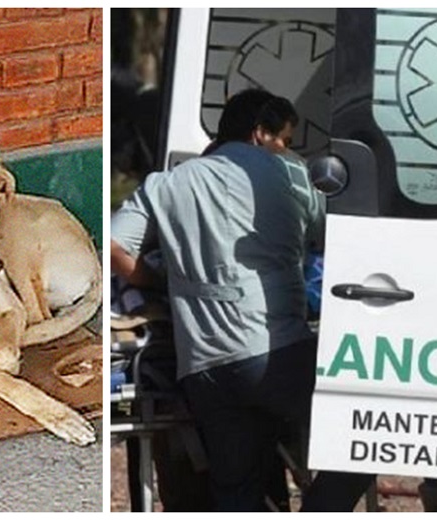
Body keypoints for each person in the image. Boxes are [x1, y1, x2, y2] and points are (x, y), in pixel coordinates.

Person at [111, 88, 372, 511]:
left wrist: (166, 280)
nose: (287, 149)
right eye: (285, 139)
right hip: (277, 353)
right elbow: (337, 238)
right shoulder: (290, 173)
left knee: (235, 490)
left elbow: (117, 246)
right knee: (372, 434)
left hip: (205, 369)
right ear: (259, 134)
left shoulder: (168, 183)